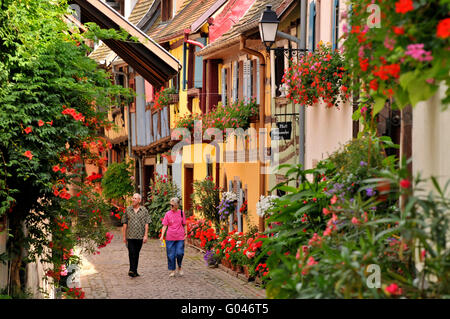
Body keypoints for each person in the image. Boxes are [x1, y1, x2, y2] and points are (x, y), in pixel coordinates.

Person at [122, 193, 150, 277]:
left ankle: (135, 270)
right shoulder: (128, 210)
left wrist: (145, 235)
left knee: (136, 253)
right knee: (131, 252)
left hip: (139, 236)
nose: (133, 200)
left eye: (135, 198)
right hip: (130, 236)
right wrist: (124, 236)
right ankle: (131, 270)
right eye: (133, 198)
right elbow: (124, 223)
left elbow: (147, 223)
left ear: (139, 200)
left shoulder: (144, 210)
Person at [160, 197, 186, 277]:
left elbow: (184, 224)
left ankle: (180, 267)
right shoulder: (168, 214)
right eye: (170, 205)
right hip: (170, 237)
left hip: (180, 237)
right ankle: (172, 270)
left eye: (173, 205)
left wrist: (186, 233)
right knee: (171, 255)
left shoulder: (181, 213)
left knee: (180, 253)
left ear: (177, 205)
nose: (171, 207)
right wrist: (162, 236)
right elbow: (164, 226)